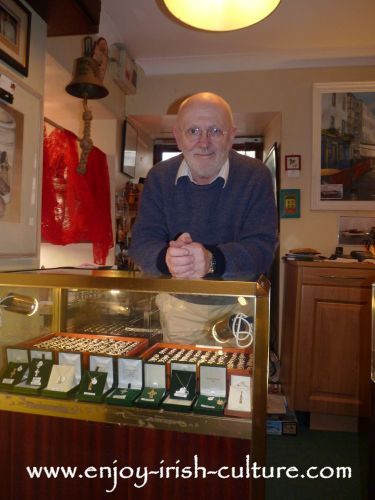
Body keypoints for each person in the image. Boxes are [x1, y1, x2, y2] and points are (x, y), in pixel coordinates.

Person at [128, 92, 277, 345]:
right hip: (178, 309)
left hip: (240, 308)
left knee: (237, 383)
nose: (204, 142)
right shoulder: (159, 176)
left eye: (216, 131)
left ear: (231, 136)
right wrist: (168, 260)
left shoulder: (256, 175)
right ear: (178, 137)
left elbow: (262, 249)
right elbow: (141, 243)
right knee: (182, 383)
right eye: (193, 130)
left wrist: (211, 261)